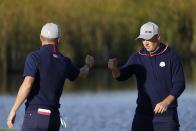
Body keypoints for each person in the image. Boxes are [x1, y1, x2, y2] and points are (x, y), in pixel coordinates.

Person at [7, 22, 94, 131]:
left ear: (40, 37)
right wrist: (88, 65)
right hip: (54, 118)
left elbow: (28, 84)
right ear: (58, 40)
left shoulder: (34, 57)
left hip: (35, 116)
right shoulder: (64, 61)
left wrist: (14, 109)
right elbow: (82, 74)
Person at [108, 22, 185, 131]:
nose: (145, 43)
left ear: (158, 37)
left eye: (149, 39)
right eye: (143, 39)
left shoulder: (172, 56)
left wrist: (166, 102)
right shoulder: (137, 57)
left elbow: (180, 84)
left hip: (166, 118)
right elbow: (120, 76)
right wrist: (114, 69)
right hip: (142, 116)